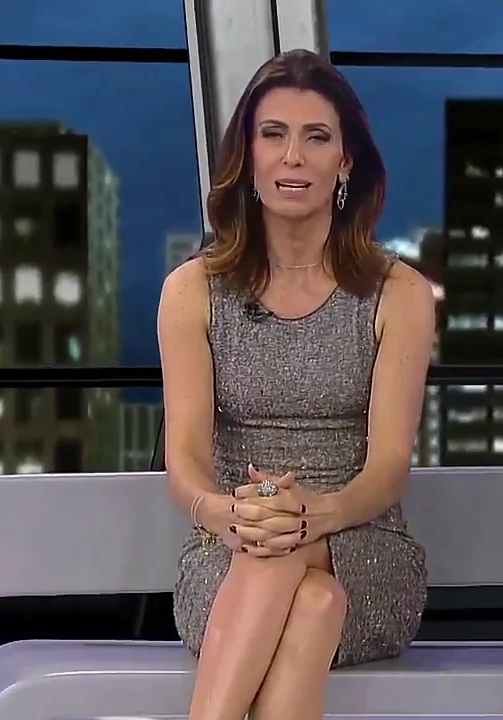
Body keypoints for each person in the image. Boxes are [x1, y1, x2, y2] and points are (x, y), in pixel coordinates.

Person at [157, 49, 437, 720]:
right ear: (248, 156)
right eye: (274, 134)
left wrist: (317, 514)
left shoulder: (397, 292)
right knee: (305, 599)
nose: (293, 157)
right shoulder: (193, 290)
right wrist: (226, 514)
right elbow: (186, 456)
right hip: (229, 550)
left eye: (316, 137)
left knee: (290, 560)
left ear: (345, 162)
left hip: (362, 547)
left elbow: (389, 467)